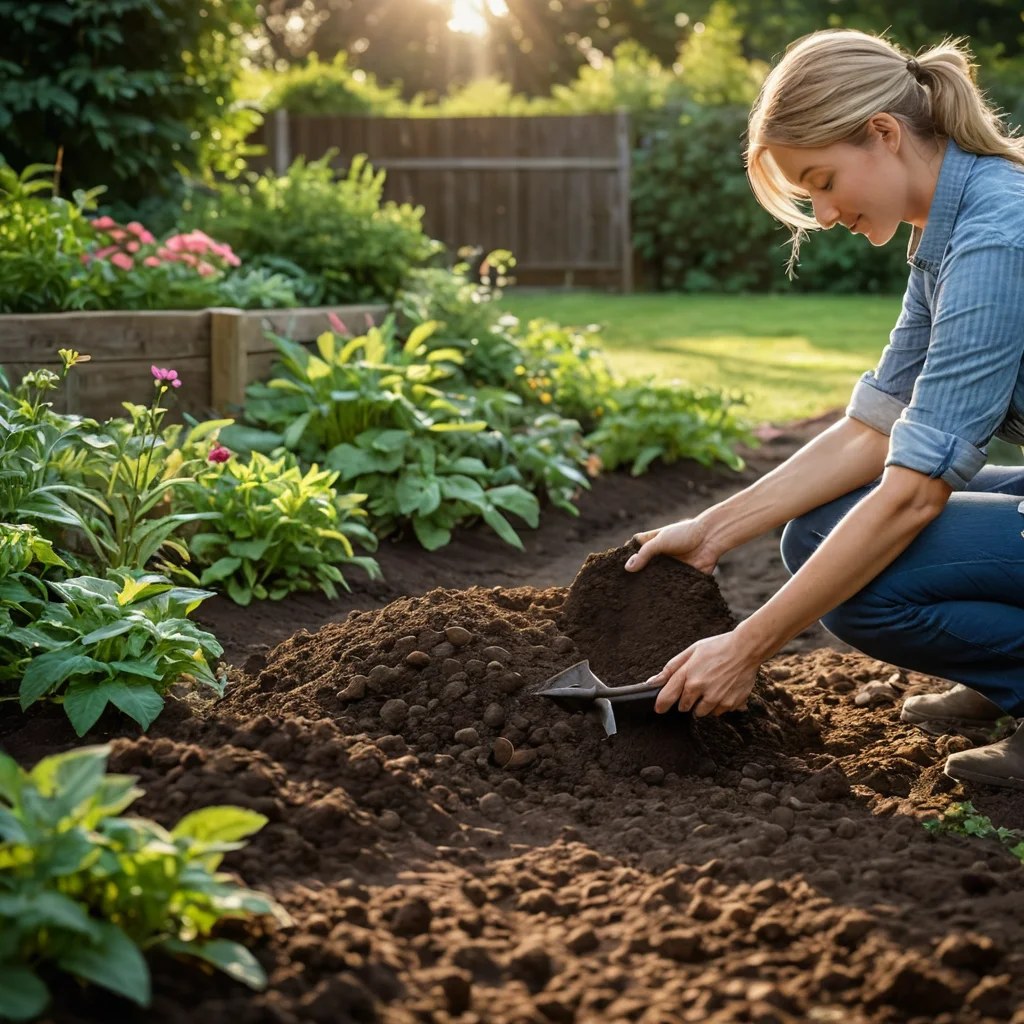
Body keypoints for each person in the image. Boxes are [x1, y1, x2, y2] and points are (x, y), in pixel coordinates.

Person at [625, 29, 1024, 791]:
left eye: (823, 179)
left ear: (883, 133)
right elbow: (873, 429)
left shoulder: (996, 236)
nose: (826, 212)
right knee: (815, 533)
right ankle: (1005, 672)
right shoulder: (946, 231)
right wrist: (710, 534)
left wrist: (747, 646)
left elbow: (913, 495)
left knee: (866, 587)